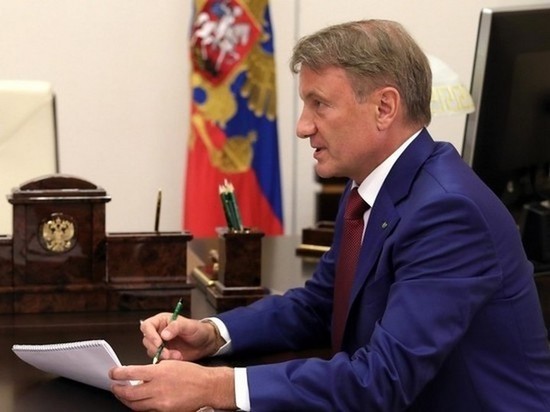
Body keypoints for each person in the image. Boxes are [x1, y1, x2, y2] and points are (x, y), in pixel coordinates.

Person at [110, 19, 550, 411]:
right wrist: (214, 334)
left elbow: (383, 380)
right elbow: (321, 305)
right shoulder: (367, 186)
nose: (303, 126)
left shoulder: (449, 213)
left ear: (384, 108)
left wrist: (216, 387)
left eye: (319, 104)